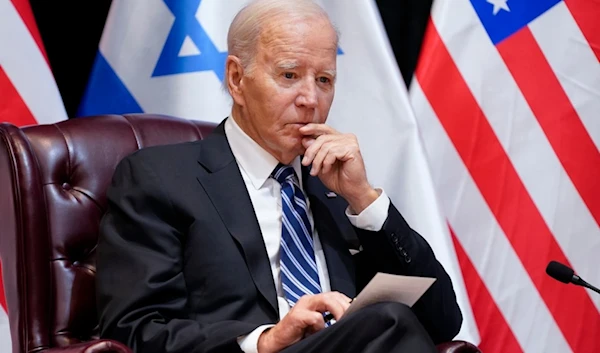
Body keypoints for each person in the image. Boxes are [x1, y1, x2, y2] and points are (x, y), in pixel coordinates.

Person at [96, 0, 463, 352]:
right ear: (237, 79)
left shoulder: (335, 188)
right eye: (289, 75)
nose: (310, 99)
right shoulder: (160, 178)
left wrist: (365, 199)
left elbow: (441, 320)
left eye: (323, 80)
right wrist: (265, 339)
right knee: (387, 321)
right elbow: (135, 329)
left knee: (390, 322)